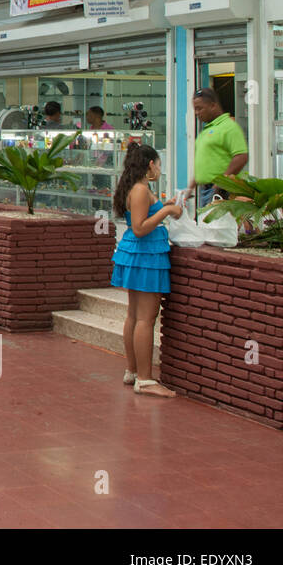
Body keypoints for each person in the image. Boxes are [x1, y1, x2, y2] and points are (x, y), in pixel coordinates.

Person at [111, 144, 182, 398]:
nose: (160, 169)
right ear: (150, 164)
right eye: (159, 164)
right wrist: (166, 210)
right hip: (145, 255)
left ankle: (133, 371)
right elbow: (140, 228)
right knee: (145, 318)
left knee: (134, 316)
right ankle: (145, 379)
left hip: (138, 255)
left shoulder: (137, 187)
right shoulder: (141, 189)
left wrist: (166, 205)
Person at [189, 87, 248, 207]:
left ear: (212, 106)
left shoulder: (229, 127)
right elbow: (204, 164)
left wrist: (221, 183)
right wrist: (190, 188)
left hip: (221, 191)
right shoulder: (207, 129)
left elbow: (241, 156)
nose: (196, 113)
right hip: (204, 190)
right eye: (195, 109)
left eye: (199, 108)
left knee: (217, 225)